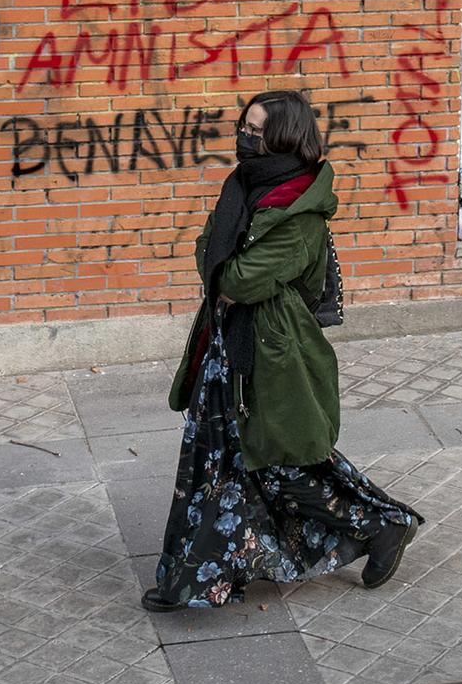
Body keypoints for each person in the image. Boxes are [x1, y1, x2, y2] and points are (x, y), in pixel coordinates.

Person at [142, 90, 424, 611]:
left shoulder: (300, 211)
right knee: (220, 464)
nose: (245, 137)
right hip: (229, 346)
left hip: (271, 353)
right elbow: (208, 251)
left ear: (285, 136)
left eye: (256, 131)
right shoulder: (245, 186)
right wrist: (221, 270)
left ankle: (383, 526)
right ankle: (201, 580)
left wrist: (225, 270)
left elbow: (243, 278)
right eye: (244, 127)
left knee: (282, 464)